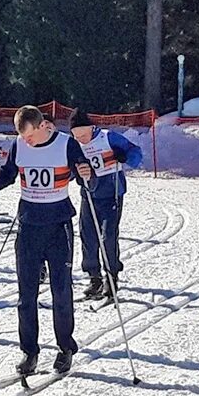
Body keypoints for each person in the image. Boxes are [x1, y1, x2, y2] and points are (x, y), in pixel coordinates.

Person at [0, 105, 95, 376]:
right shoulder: (19, 145)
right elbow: (7, 176)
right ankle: (29, 351)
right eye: (23, 137)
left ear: (43, 126)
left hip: (58, 225)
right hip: (29, 225)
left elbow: (83, 173)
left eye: (30, 136)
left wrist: (86, 174)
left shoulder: (66, 144)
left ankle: (65, 348)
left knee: (61, 291)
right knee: (26, 294)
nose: (27, 141)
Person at [69, 109, 143, 299]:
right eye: (77, 137)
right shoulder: (74, 144)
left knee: (108, 235)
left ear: (91, 128)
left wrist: (125, 157)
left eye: (84, 135)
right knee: (88, 236)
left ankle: (112, 277)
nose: (82, 140)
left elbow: (135, 151)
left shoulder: (108, 137)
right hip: (89, 195)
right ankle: (94, 277)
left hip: (112, 193)